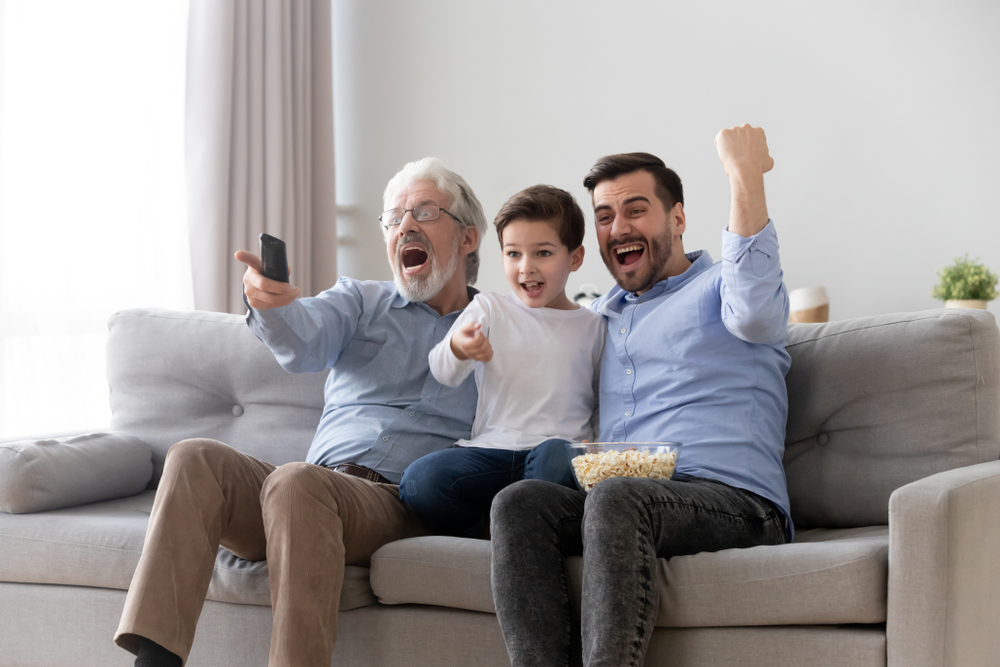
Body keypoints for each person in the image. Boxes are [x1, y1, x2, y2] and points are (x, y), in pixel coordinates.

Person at [114, 157, 487, 667]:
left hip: (395, 504)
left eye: (424, 212)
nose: (405, 226)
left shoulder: (501, 327)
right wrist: (273, 305)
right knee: (194, 457)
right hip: (303, 494)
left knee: (297, 483)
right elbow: (300, 340)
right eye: (393, 216)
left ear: (467, 239)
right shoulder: (359, 301)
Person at [490, 125, 793, 667]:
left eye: (636, 210)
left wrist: (744, 173)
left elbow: (755, 310)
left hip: (737, 503)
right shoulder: (602, 316)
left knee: (617, 496)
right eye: (605, 217)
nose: (618, 227)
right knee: (521, 502)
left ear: (677, 219)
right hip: (631, 492)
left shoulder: (727, 285)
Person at [399, 185, 605, 538]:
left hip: (553, 457)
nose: (526, 268)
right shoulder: (490, 309)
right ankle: (493, 533)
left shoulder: (595, 326)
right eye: (513, 254)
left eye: (542, 252)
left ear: (575, 257)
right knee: (420, 481)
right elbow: (442, 370)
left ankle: (525, 524)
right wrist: (459, 348)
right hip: (491, 453)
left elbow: (603, 403)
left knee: (558, 455)